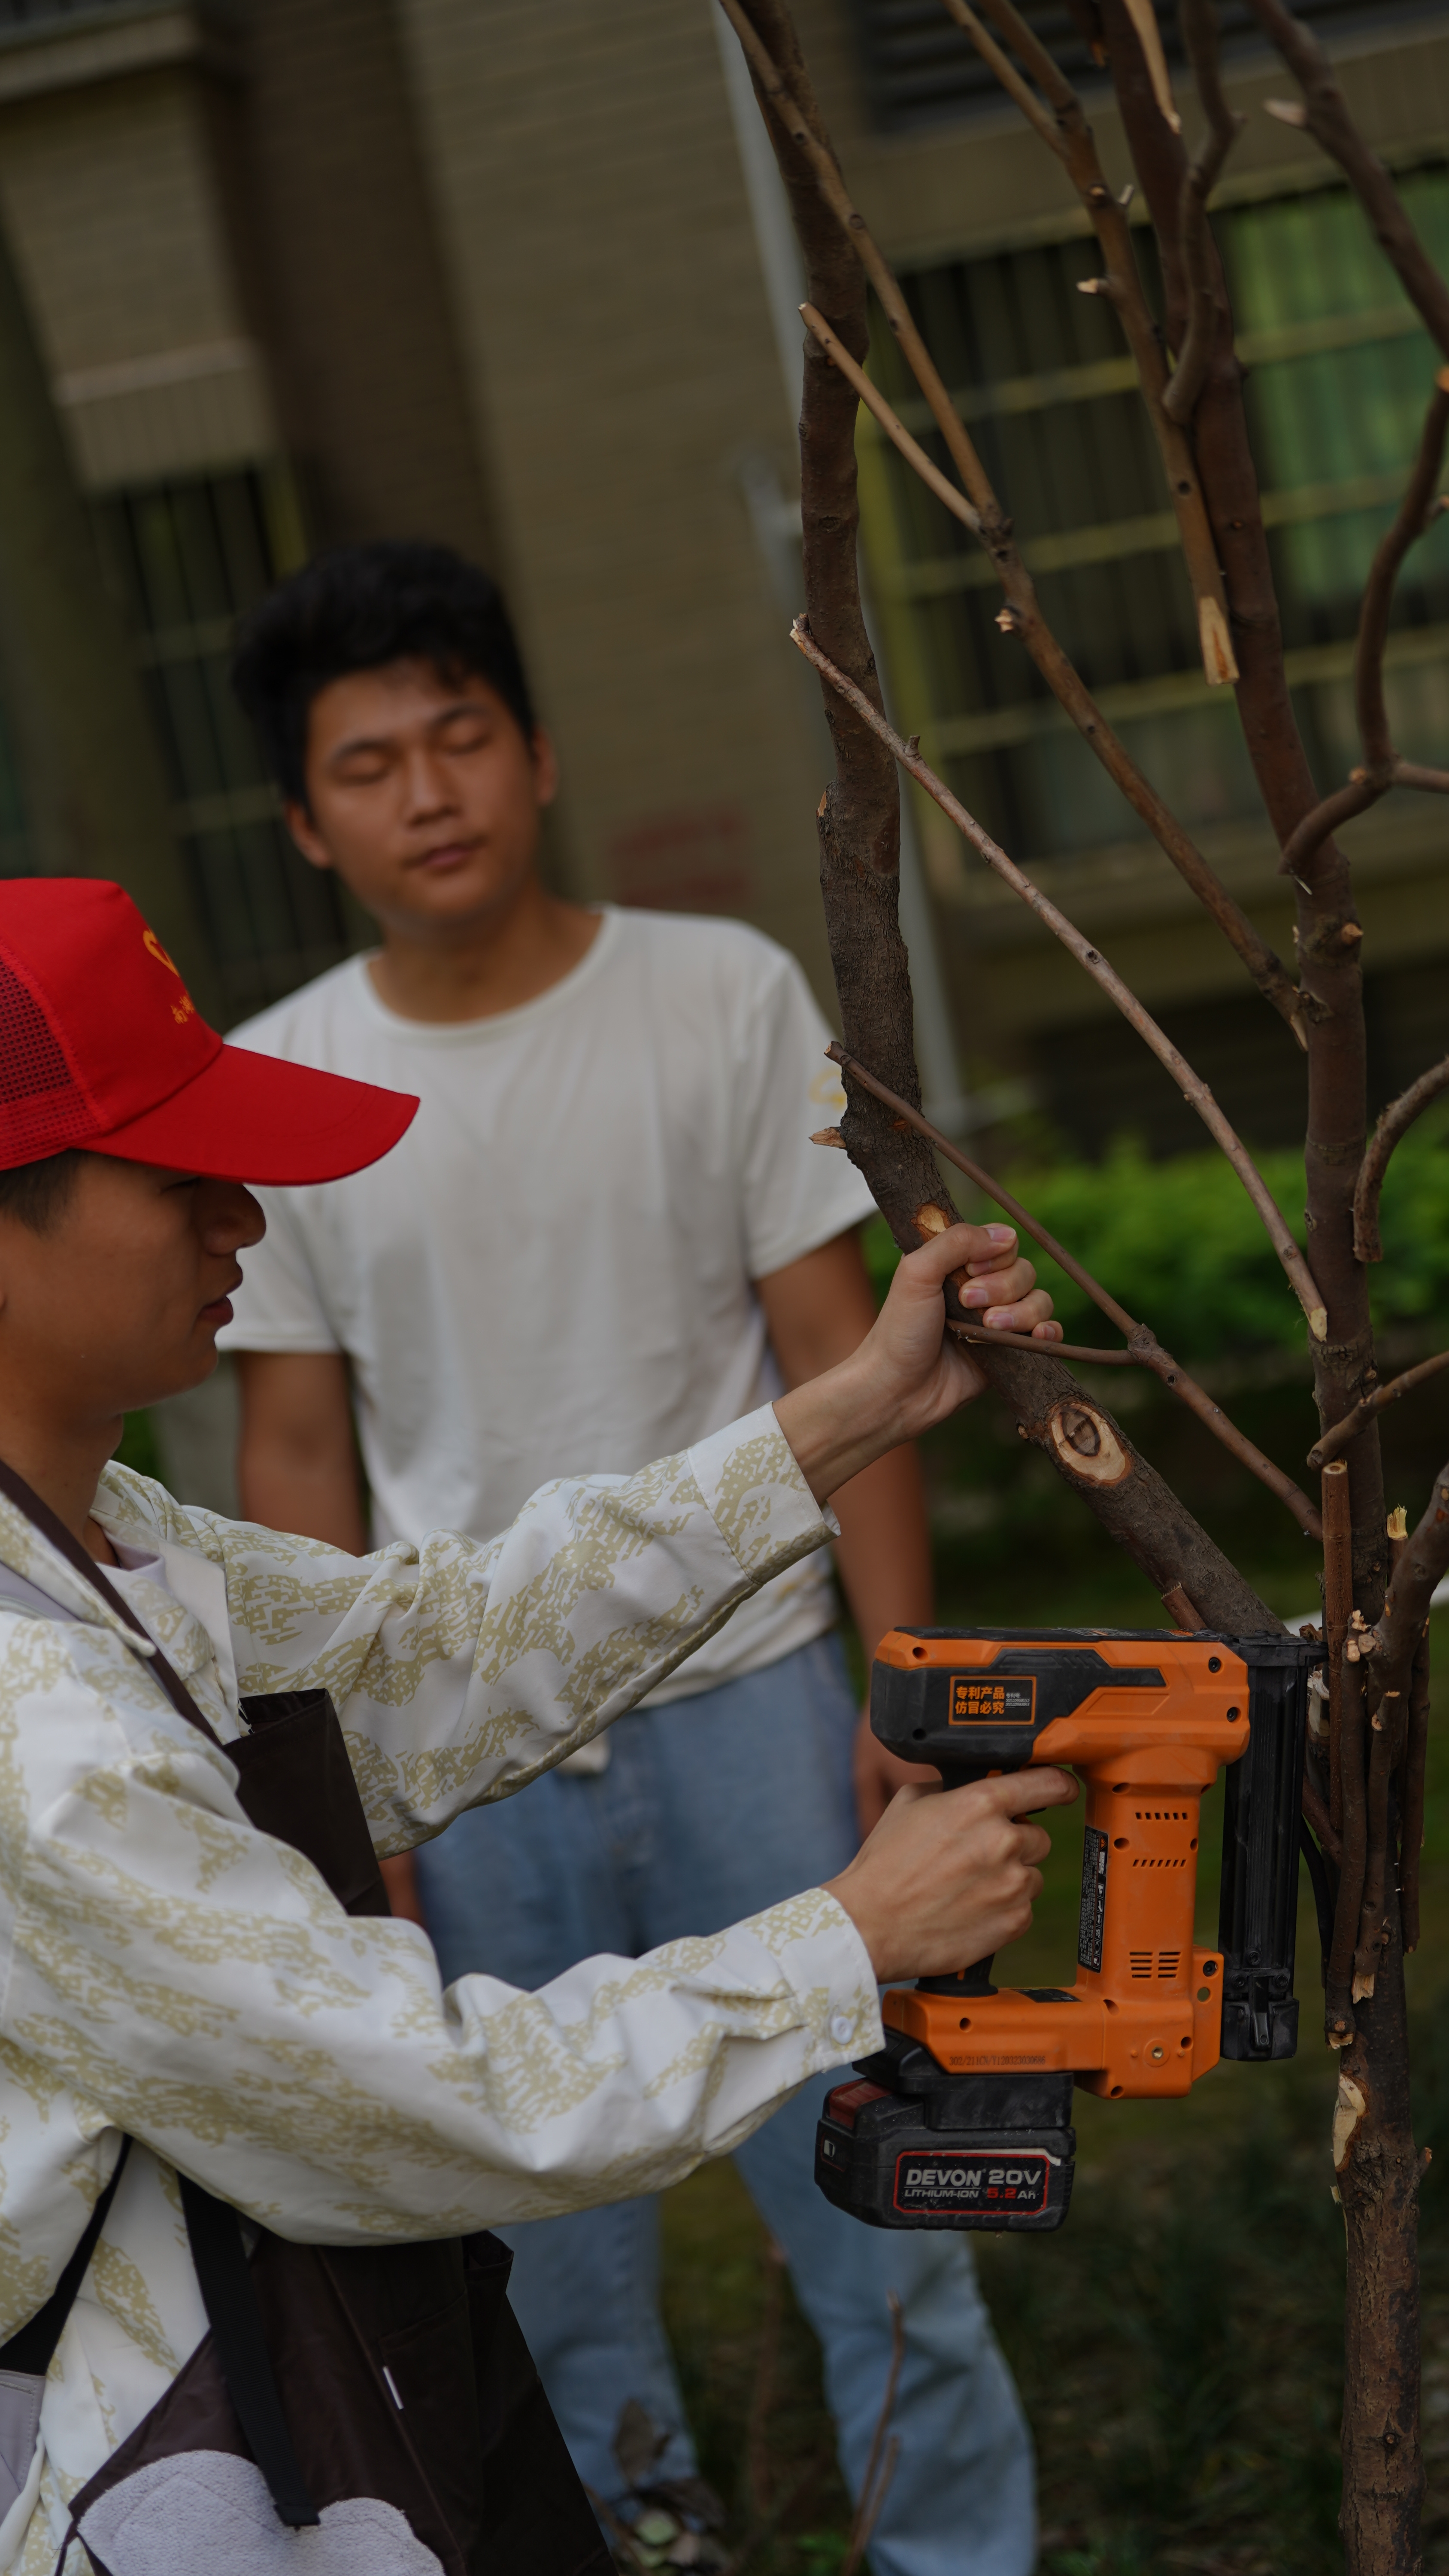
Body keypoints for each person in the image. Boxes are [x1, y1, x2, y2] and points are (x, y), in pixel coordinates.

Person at [0, 873, 1072, 2576]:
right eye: (178, 1178)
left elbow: (427, 1649)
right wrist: (841, 1944)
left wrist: (850, 1413)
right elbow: (402, 2100)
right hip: (159, 2471)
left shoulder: (99, 1535)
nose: (245, 1226)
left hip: (286, 2367)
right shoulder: (30, 1730)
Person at [220, 542, 1062, 2573]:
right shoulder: (285, 1077)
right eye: (369, 765)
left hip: (758, 1711)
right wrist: (326, 1792)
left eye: (460, 738)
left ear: (538, 752)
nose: (428, 793)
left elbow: (833, 1358)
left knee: (881, 2227)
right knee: (540, 2265)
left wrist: (902, 1685)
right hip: (472, 1757)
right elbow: (299, 1454)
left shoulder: (717, 994)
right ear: (305, 822)